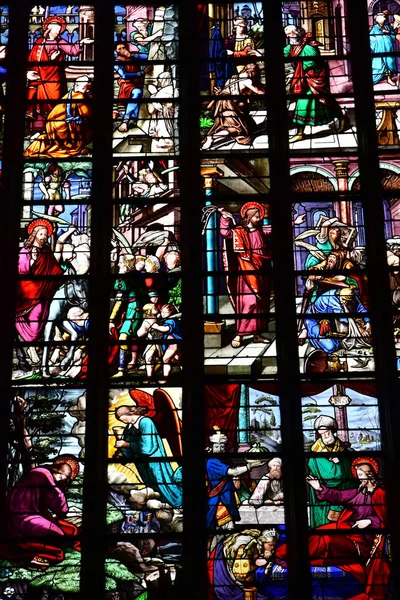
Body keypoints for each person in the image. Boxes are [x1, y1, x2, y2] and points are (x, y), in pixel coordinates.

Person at [276, 457, 390, 600]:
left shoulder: (381, 494)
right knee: (318, 533)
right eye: (357, 474)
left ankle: (297, 558)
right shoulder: (358, 492)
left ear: (370, 474)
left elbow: (387, 519)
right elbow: (338, 496)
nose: (358, 477)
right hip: (348, 531)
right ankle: (287, 554)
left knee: (327, 539)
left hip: (362, 544)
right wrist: (319, 488)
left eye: (360, 474)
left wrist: (369, 521)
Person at [15, 218, 77, 369]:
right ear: (34, 234)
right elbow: (22, 270)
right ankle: (29, 343)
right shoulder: (25, 251)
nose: (44, 237)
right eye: (41, 234)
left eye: (46, 235)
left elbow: (54, 268)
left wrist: (66, 275)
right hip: (28, 290)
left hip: (44, 291)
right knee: (35, 328)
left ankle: (31, 345)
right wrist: (32, 260)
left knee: (41, 322)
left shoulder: (46, 250)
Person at [6, 457, 80, 570]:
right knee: (58, 535)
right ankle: (32, 558)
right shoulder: (43, 473)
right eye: (63, 475)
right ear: (57, 469)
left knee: (63, 531)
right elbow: (57, 499)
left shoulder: (40, 474)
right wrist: (64, 511)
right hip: (24, 517)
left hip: (26, 515)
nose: (62, 479)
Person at [219, 201, 272, 348]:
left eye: (259, 216)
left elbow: (274, 229)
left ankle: (257, 334)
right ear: (248, 217)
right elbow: (225, 233)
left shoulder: (260, 231)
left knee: (260, 303)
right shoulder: (239, 231)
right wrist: (225, 219)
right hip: (246, 271)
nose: (258, 219)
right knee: (249, 303)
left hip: (261, 270)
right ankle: (240, 334)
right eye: (256, 216)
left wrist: (294, 222)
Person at [114, 395, 182, 508]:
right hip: (142, 464)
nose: (124, 422)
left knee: (163, 485)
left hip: (154, 462)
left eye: (123, 419)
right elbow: (128, 450)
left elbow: (148, 447)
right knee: (151, 485)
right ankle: (162, 505)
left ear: (129, 414)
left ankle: (177, 502)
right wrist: (121, 454)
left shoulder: (146, 422)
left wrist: (126, 444)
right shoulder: (128, 429)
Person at [284, 25, 348, 143]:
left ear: (297, 33)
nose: (287, 36)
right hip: (303, 78)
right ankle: (300, 132)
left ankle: (342, 118)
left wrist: (296, 74)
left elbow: (312, 62)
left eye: (289, 34)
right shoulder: (293, 46)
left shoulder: (309, 47)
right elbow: (283, 53)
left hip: (314, 78)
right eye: (286, 34)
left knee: (318, 100)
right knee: (317, 102)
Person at [26, 15, 93, 122]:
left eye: (60, 29)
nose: (59, 31)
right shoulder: (39, 42)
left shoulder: (60, 41)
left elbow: (72, 51)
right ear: (49, 29)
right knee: (39, 101)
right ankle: (39, 129)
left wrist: (81, 42)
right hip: (39, 78)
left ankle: (56, 123)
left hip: (54, 77)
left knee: (55, 99)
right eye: (56, 28)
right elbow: (31, 60)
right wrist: (49, 59)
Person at [206, 427, 265, 530]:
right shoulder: (212, 462)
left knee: (229, 525)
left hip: (226, 496)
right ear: (211, 447)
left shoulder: (222, 461)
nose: (220, 450)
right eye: (216, 446)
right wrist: (250, 466)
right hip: (219, 498)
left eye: (222, 446)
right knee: (224, 526)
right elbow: (233, 472)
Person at [24, 75, 93, 159]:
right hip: (61, 126)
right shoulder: (80, 96)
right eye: (87, 86)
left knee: (49, 140)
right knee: (75, 143)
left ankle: (36, 148)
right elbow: (87, 113)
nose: (88, 88)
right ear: (84, 86)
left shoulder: (70, 93)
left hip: (51, 124)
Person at [202, 62, 265, 150]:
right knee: (239, 131)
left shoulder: (234, 77)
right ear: (252, 71)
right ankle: (212, 137)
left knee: (249, 127)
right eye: (256, 72)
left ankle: (214, 136)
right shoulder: (247, 80)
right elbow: (260, 92)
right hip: (229, 107)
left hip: (223, 105)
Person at [307, 415, 353, 528]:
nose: (325, 436)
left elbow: (351, 473)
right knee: (325, 530)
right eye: (321, 433)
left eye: (327, 432)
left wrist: (340, 463)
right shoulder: (316, 455)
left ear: (332, 430)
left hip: (344, 498)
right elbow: (334, 476)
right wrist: (338, 465)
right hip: (323, 501)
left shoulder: (343, 449)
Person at [298, 287, 372, 355]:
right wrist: (359, 329)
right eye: (343, 299)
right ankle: (308, 331)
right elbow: (344, 318)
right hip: (313, 319)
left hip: (331, 322)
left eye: (347, 301)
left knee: (346, 338)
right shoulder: (333, 300)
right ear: (339, 295)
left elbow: (361, 309)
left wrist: (368, 322)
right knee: (330, 347)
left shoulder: (350, 295)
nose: (344, 302)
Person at [113, 42, 148, 132]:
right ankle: (125, 121)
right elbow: (124, 75)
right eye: (119, 49)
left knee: (135, 114)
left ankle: (128, 121)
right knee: (137, 92)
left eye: (123, 47)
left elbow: (147, 57)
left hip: (138, 83)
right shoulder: (117, 62)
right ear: (116, 51)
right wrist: (142, 73)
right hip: (127, 85)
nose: (122, 50)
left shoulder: (133, 57)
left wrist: (131, 56)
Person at [150, 303, 181, 383]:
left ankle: (164, 379)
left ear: (171, 312)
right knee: (176, 359)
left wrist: (156, 327)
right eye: (162, 312)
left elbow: (166, 329)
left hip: (174, 344)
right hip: (171, 344)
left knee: (165, 359)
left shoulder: (171, 320)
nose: (163, 314)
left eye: (165, 312)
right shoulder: (168, 320)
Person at [147, 71, 177, 153]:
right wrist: (154, 96)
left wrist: (155, 95)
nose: (158, 84)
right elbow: (151, 111)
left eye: (159, 81)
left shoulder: (171, 91)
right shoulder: (159, 93)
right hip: (159, 131)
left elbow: (170, 106)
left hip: (168, 128)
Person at [370, 12, 399, 86]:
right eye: (382, 17)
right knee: (378, 66)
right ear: (377, 19)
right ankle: (371, 81)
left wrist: (388, 32)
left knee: (389, 65)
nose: (384, 18)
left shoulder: (387, 27)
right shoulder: (374, 28)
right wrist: (377, 42)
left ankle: (389, 79)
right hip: (379, 50)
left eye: (384, 17)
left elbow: (393, 36)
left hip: (388, 50)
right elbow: (370, 38)